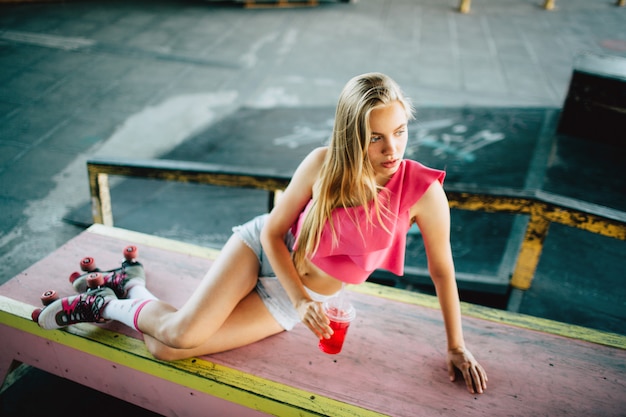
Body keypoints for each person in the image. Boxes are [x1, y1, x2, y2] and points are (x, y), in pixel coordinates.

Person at [36, 72, 488, 394]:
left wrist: (456, 346)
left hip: (291, 299)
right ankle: (103, 302)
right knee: (179, 334)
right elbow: (273, 233)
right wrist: (301, 299)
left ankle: (126, 289)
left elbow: (442, 274)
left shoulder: (423, 193)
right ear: (353, 135)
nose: (392, 149)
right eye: (376, 137)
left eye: (400, 132)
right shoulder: (321, 162)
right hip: (262, 253)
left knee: (169, 349)